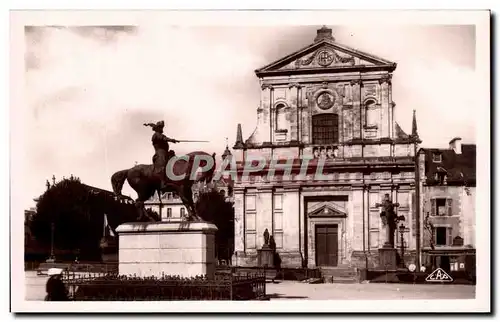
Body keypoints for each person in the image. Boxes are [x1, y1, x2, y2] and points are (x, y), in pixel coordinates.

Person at [143, 121, 179, 190]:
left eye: (162, 127)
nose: (162, 129)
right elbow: (164, 138)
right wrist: (172, 140)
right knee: (163, 165)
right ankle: (163, 183)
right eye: (161, 127)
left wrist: (172, 140)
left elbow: (164, 138)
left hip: (165, 152)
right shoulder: (156, 135)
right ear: (157, 128)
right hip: (160, 153)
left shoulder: (160, 134)